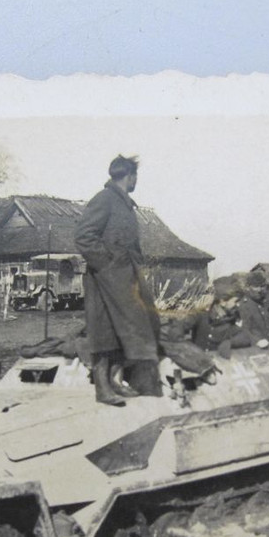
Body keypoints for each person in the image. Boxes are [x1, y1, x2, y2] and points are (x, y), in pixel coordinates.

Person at [74, 155, 162, 405]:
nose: (136, 181)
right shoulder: (105, 200)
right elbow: (84, 237)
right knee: (104, 332)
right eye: (136, 177)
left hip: (126, 278)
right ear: (130, 176)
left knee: (134, 327)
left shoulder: (124, 204)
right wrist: (108, 265)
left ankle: (115, 381)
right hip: (105, 280)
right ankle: (102, 389)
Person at [236, 270, 269, 346]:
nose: (259, 290)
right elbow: (243, 330)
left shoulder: (263, 303)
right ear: (248, 287)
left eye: (262, 286)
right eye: (256, 286)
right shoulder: (244, 305)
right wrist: (257, 341)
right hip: (255, 348)